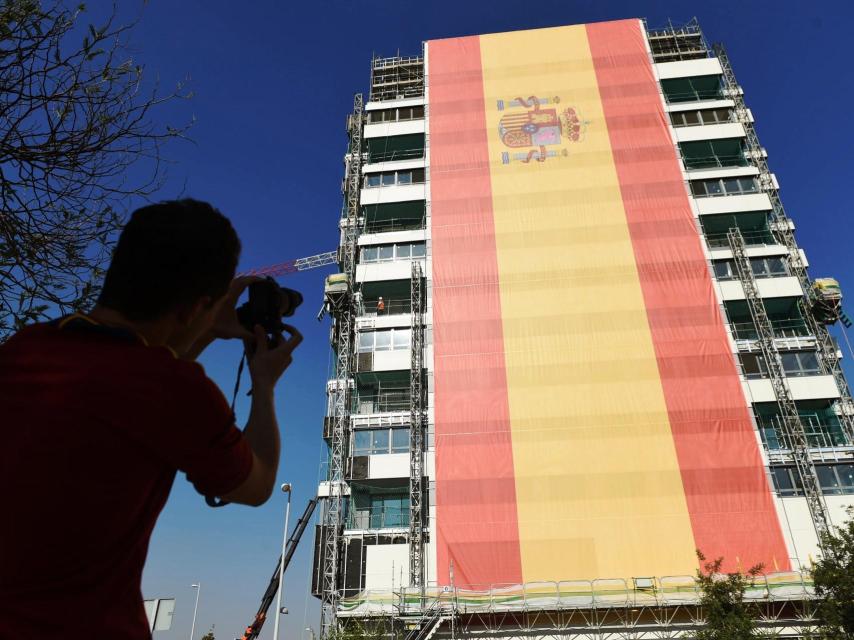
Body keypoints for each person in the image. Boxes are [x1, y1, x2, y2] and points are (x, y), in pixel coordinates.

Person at [0, 199, 302, 639]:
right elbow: (255, 486)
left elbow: (134, 374)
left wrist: (204, 327)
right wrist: (265, 383)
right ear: (192, 308)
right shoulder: (175, 391)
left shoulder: (21, 350)